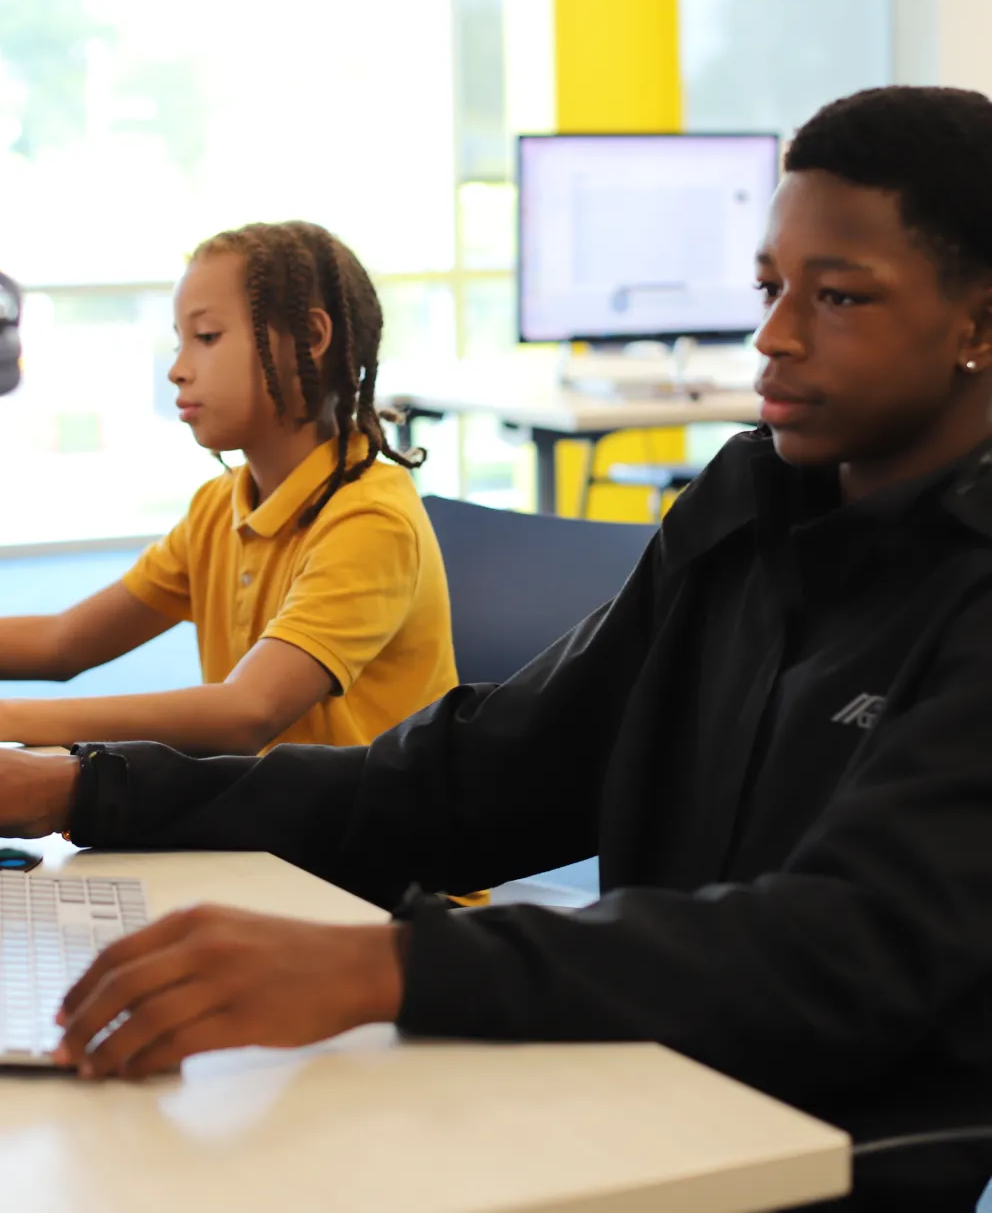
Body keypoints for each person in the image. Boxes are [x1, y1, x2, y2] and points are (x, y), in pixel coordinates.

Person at [6, 85, 992, 1209]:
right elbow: (475, 772)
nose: (771, 337)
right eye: (769, 289)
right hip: (622, 1081)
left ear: (977, 323)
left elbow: (837, 946)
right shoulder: (747, 503)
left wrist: (388, 965)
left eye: (838, 297)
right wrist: (87, 793)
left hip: (814, 1162)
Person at [0, 220, 458, 758]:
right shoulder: (220, 507)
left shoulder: (369, 519)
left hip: (360, 834)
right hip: (261, 816)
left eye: (207, 337)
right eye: (179, 341)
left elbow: (248, 712)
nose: (176, 370)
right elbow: (64, 643)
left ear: (310, 340)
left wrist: (10, 718)